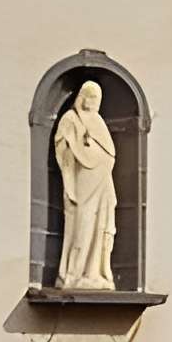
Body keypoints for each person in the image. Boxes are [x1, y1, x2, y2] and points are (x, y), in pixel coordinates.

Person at [52, 81, 119, 290]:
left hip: (102, 183)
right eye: (90, 97)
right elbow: (62, 146)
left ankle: (95, 273)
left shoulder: (98, 121)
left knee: (101, 226)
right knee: (83, 224)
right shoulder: (71, 119)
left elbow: (109, 152)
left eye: (97, 98)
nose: (94, 102)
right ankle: (74, 273)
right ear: (82, 97)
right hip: (84, 184)